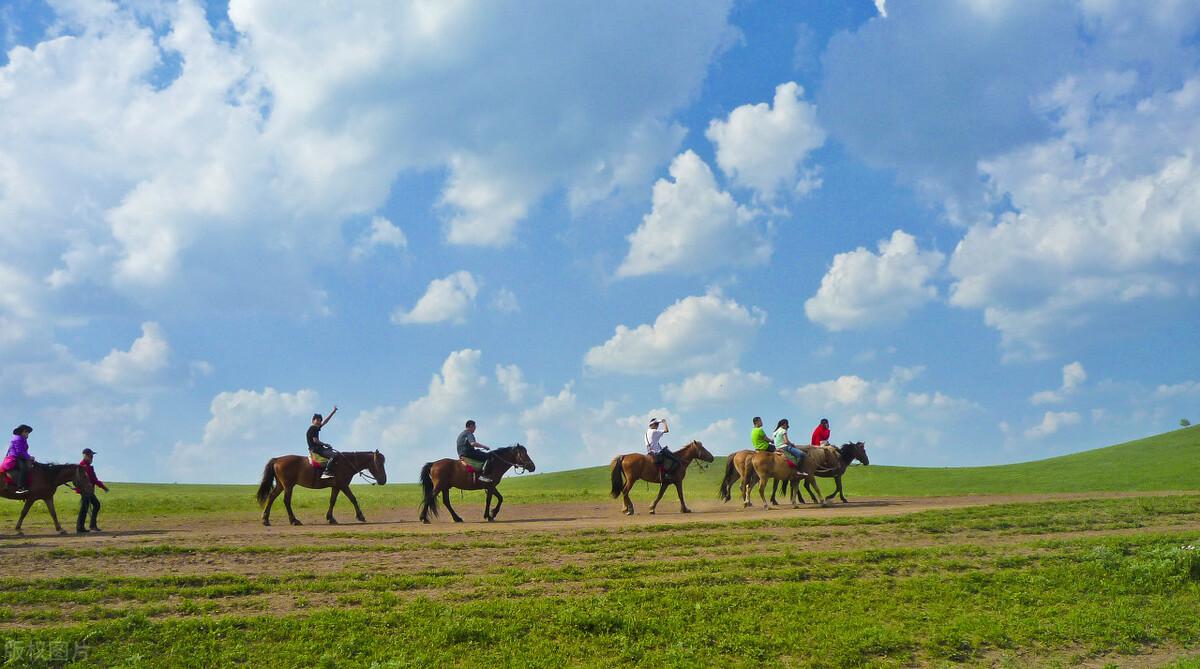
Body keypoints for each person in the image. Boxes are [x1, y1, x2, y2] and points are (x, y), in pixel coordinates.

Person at [75, 448, 109, 534]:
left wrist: (102, 486)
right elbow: (92, 479)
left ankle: (90, 526)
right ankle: (81, 528)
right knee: (86, 508)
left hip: (88, 491)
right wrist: (103, 487)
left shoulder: (86, 466)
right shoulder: (83, 466)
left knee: (92, 506)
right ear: (85, 456)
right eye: (90, 456)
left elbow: (94, 480)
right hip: (86, 491)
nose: (92, 458)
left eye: (92, 456)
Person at [306, 406, 339, 479]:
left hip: (317, 448)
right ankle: (326, 472)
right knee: (334, 455)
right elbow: (315, 441)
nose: (319, 421)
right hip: (316, 449)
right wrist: (326, 444)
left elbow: (325, 422)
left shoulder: (316, 428)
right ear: (313, 421)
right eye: (317, 420)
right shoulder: (313, 428)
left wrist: (333, 412)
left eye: (320, 420)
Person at [457, 420, 494, 484]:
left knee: (480, 455)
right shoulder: (469, 433)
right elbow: (473, 443)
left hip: (461, 454)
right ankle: (483, 476)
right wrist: (484, 447)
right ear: (471, 426)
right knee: (489, 456)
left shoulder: (461, 434)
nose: (475, 428)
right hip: (468, 453)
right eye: (475, 427)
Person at [3, 425, 35, 495]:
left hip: (20, 457)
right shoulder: (18, 439)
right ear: (21, 432)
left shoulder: (22, 439)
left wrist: (29, 457)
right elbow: (20, 452)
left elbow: (24, 452)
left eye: (28, 432)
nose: (27, 433)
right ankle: (20, 488)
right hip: (14, 457)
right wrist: (29, 457)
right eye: (26, 432)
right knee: (24, 468)